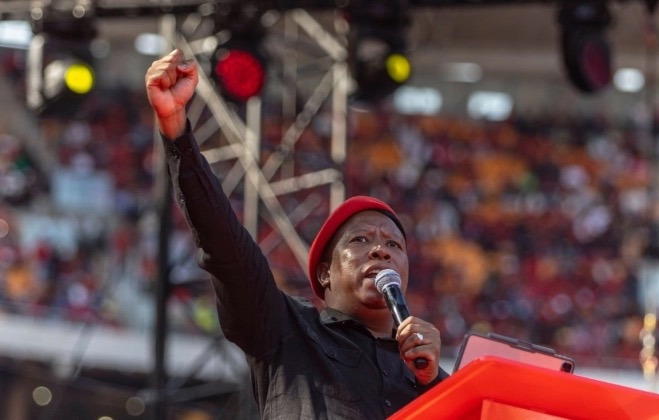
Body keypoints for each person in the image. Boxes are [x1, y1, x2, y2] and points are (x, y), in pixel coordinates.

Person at [145, 49, 448, 419]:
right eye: (361, 240)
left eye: (393, 244)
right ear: (324, 273)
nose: (381, 251)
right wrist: (177, 133)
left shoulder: (431, 379)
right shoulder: (286, 329)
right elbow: (225, 246)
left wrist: (433, 383)